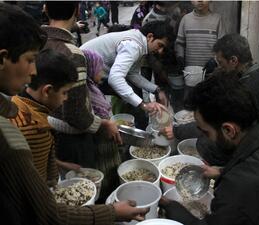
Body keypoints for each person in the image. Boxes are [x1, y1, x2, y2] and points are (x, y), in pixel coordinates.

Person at [0, 3, 148, 224]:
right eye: (30, 60)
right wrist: (112, 212)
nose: (33, 72)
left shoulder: (21, 110)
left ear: (46, 10)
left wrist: (58, 166)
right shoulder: (16, 134)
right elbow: (47, 212)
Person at [160, 71, 259, 225]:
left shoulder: (237, 187)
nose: (204, 137)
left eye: (205, 132)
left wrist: (173, 208)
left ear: (229, 130)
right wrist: (222, 172)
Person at [162, 33, 259, 166]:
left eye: (221, 63)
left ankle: (226, 168)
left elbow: (215, 120)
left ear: (233, 60)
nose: (219, 68)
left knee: (206, 143)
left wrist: (176, 131)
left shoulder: (247, 87)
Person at [42, 1, 121, 170]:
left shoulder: (38, 43)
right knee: (84, 181)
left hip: (46, 130)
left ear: (46, 10)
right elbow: (76, 113)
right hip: (73, 140)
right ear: (77, 11)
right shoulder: (73, 54)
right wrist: (103, 124)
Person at [81, 20, 174, 129]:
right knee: (95, 114)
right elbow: (115, 78)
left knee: (132, 95)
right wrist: (143, 105)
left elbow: (132, 74)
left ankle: (137, 129)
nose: (160, 51)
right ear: (150, 36)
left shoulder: (139, 43)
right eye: (160, 45)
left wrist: (157, 89)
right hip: (82, 73)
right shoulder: (133, 45)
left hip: (95, 74)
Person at [10, 49, 80, 187]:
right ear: (47, 91)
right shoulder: (33, 128)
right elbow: (33, 182)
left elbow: (34, 158)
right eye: (64, 92)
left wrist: (60, 164)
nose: (66, 98)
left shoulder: (19, 102)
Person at [82, 49, 121, 202]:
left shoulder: (91, 87)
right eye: (99, 69)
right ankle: (106, 198)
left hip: (103, 137)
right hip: (99, 143)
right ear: (90, 70)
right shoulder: (87, 92)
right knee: (104, 172)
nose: (101, 73)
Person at [175, 0, 226, 100]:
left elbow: (223, 46)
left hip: (212, 72)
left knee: (210, 101)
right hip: (191, 72)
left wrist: (215, 60)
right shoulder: (185, 19)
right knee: (191, 102)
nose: (200, 0)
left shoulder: (217, 19)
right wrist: (180, 57)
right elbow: (179, 43)